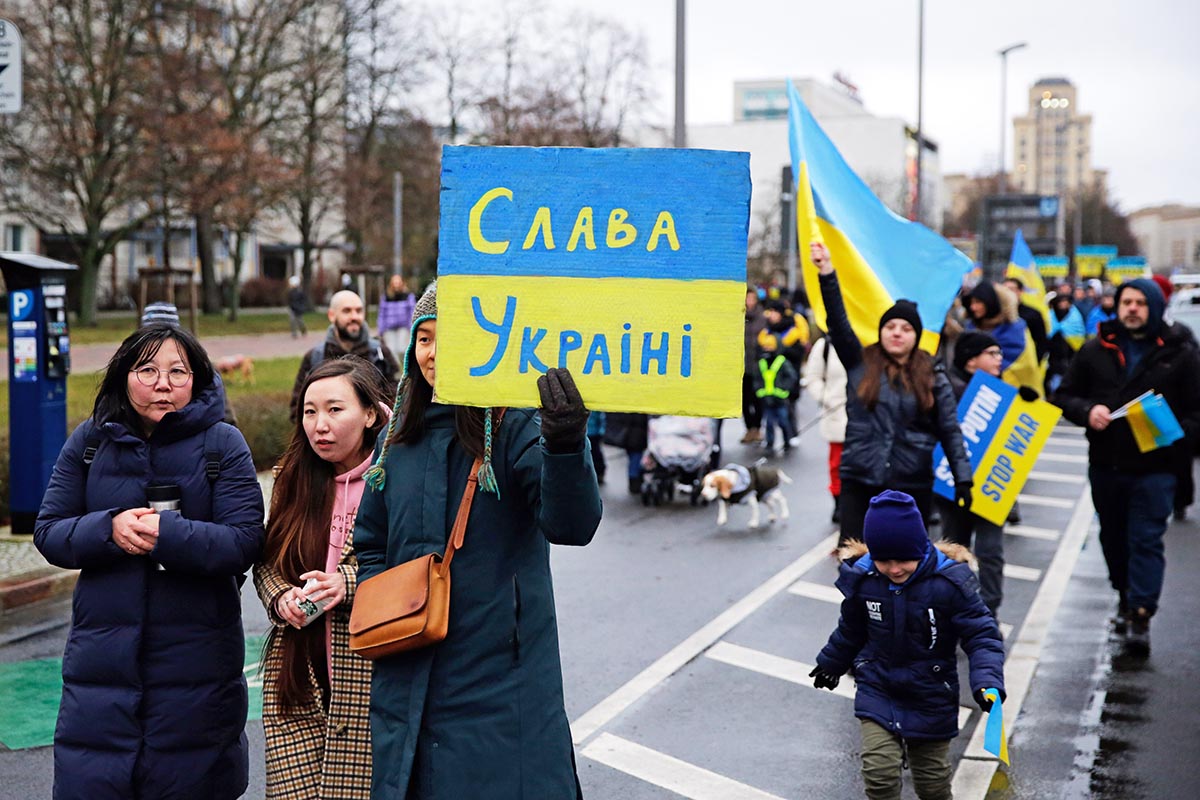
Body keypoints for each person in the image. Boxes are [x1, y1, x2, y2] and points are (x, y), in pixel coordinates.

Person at [353, 282, 602, 798]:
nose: (433, 352)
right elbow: (370, 540)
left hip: (501, 690)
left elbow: (573, 526)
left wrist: (564, 444)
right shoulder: (395, 439)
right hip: (405, 677)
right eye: (423, 338)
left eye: (451, 336)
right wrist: (392, 603)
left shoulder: (515, 428)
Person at [34, 324, 265, 800]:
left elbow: (243, 542)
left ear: (196, 379)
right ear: (123, 376)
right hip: (101, 665)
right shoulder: (91, 441)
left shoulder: (222, 443)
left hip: (198, 663)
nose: (163, 383)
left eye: (178, 372)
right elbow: (49, 530)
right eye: (147, 370)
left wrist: (168, 536)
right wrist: (109, 529)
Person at [810, 491, 1006, 800]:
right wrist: (832, 662)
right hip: (878, 686)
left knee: (933, 785)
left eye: (904, 559)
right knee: (879, 774)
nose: (895, 568)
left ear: (921, 549)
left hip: (931, 692)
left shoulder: (949, 584)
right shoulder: (865, 580)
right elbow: (851, 628)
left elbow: (982, 635)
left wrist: (987, 680)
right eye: (884, 560)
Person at [254, 357, 390, 799]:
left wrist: (346, 584)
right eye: (310, 412)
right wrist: (280, 599)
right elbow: (267, 560)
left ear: (370, 414)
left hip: (371, 680)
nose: (319, 425)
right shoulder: (292, 477)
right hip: (298, 676)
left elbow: (420, 563)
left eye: (335, 409)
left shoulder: (395, 477)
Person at [1055, 278, 1200, 653]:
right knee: (1114, 538)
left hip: (1157, 467)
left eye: (1140, 303)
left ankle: (1140, 613)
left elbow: (1196, 411)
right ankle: (1124, 593)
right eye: (1126, 302)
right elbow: (1065, 395)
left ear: (1153, 307)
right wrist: (1089, 411)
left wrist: (1175, 433)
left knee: (1146, 539)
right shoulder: (1095, 349)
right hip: (1107, 464)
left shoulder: (1180, 351)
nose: (1132, 309)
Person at [812, 241, 972, 543]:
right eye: (891, 326)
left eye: (906, 328)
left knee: (905, 569)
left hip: (912, 485)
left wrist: (962, 477)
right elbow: (838, 320)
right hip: (860, 480)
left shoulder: (933, 376)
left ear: (916, 336)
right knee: (856, 570)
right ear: (881, 331)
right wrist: (827, 272)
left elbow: (949, 429)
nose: (897, 332)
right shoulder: (860, 364)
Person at [933, 331, 1019, 618]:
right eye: (992, 354)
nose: (1000, 359)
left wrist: (1025, 405)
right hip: (954, 486)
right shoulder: (950, 391)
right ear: (971, 361)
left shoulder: (999, 388)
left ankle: (987, 613)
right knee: (954, 552)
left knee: (990, 551)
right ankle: (955, 611)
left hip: (990, 488)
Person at [290, 290, 399, 421]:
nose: (354, 317)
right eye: (347, 311)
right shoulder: (315, 357)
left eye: (359, 311)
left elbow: (398, 401)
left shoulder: (380, 354)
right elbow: (298, 408)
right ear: (331, 315)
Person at [803, 333, 849, 523]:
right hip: (836, 414)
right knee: (837, 464)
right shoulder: (825, 346)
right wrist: (826, 398)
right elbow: (812, 377)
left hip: (867, 415)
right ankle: (839, 502)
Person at [753, 337, 798, 453]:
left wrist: (784, 390)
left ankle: (787, 441)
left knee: (783, 421)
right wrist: (759, 391)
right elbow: (757, 379)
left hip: (780, 399)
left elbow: (791, 377)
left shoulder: (782, 361)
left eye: (770, 347)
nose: (767, 349)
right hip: (767, 399)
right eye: (765, 347)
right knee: (768, 423)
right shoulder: (762, 363)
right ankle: (770, 443)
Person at [1046, 291, 1086, 395]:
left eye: (1065, 302)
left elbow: (1079, 334)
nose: (1063, 304)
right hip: (1053, 353)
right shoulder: (1050, 316)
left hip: (1069, 354)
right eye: (1061, 302)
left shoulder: (1075, 317)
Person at [741, 286, 767, 443]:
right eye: (747, 298)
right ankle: (749, 429)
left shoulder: (762, 318)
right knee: (744, 400)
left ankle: (757, 428)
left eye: (752, 298)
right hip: (742, 366)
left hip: (758, 365)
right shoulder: (739, 317)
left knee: (757, 400)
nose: (749, 302)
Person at [1003, 276, 1049, 364]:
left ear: (1020, 291)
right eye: (1004, 289)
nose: (1007, 293)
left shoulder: (1033, 314)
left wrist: (1035, 363)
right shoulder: (997, 313)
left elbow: (1041, 342)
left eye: (1011, 289)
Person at [377, 274, 416, 361]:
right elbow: (382, 314)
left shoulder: (408, 296)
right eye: (394, 282)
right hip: (389, 328)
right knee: (391, 351)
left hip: (403, 327)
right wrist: (380, 329)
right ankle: (396, 371)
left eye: (398, 282)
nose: (396, 284)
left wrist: (411, 326)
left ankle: (405, 367)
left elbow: (412, 311)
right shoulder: (386, 297)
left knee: (402, 348)